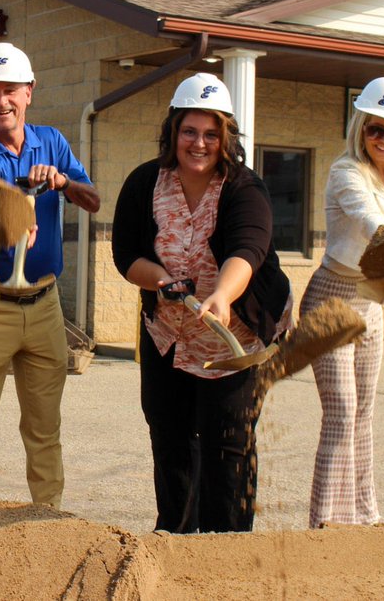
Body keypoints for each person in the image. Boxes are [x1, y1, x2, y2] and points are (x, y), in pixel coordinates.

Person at [111, 73, 292, 533]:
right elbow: (126, 253)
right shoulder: (145, 182)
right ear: (173, 131)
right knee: (169, 438)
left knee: (226, 446)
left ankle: (227, 545)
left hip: (231, 337)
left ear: (226, 136)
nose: (199, 143)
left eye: (211, 134)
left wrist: (221, 296)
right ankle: (174, 535)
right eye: (190, 131)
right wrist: (162, 279)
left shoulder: (244, 187)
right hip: (168, 333)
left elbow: (248, 248)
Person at [0, 42, 100, 508]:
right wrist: (15, 209)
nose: (1, 102)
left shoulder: (53, 141)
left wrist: (62, 181)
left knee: (44, 427)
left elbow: (92, 200)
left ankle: (45, 521)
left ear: (29, 91)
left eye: (9, 90)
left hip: (44, 305)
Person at [303, 74, 384, 528]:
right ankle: (326, 526)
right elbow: (369, 220)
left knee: (365, 414)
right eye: (376, 129)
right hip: (332, 299)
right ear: (361, 128)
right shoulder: (345, 172)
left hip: (374, 303)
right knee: (341, 412)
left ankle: (364, 517)